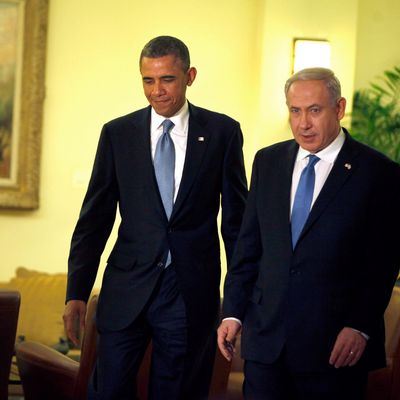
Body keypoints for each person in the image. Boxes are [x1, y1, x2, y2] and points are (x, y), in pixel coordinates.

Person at [63, 35, 247, 400]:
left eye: (167, 80)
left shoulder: (222, 133)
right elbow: (94, 218)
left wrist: (236, 305)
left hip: (188, 292)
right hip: (126, 289)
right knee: (107, 392)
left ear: (190, 76)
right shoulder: (118, 134)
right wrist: (76, 292)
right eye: (148, 80)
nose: (157, 91)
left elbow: (237, 226)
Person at [217, 67, 400, 400]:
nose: (303, 123)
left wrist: (359, 325)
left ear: (339, 108)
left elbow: (383, 264)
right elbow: (248, 248)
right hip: (266, 343)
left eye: (314, 110)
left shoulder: (378, 173)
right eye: (295, 111)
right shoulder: (267, 162)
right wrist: (232, 312)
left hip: (333, 348)